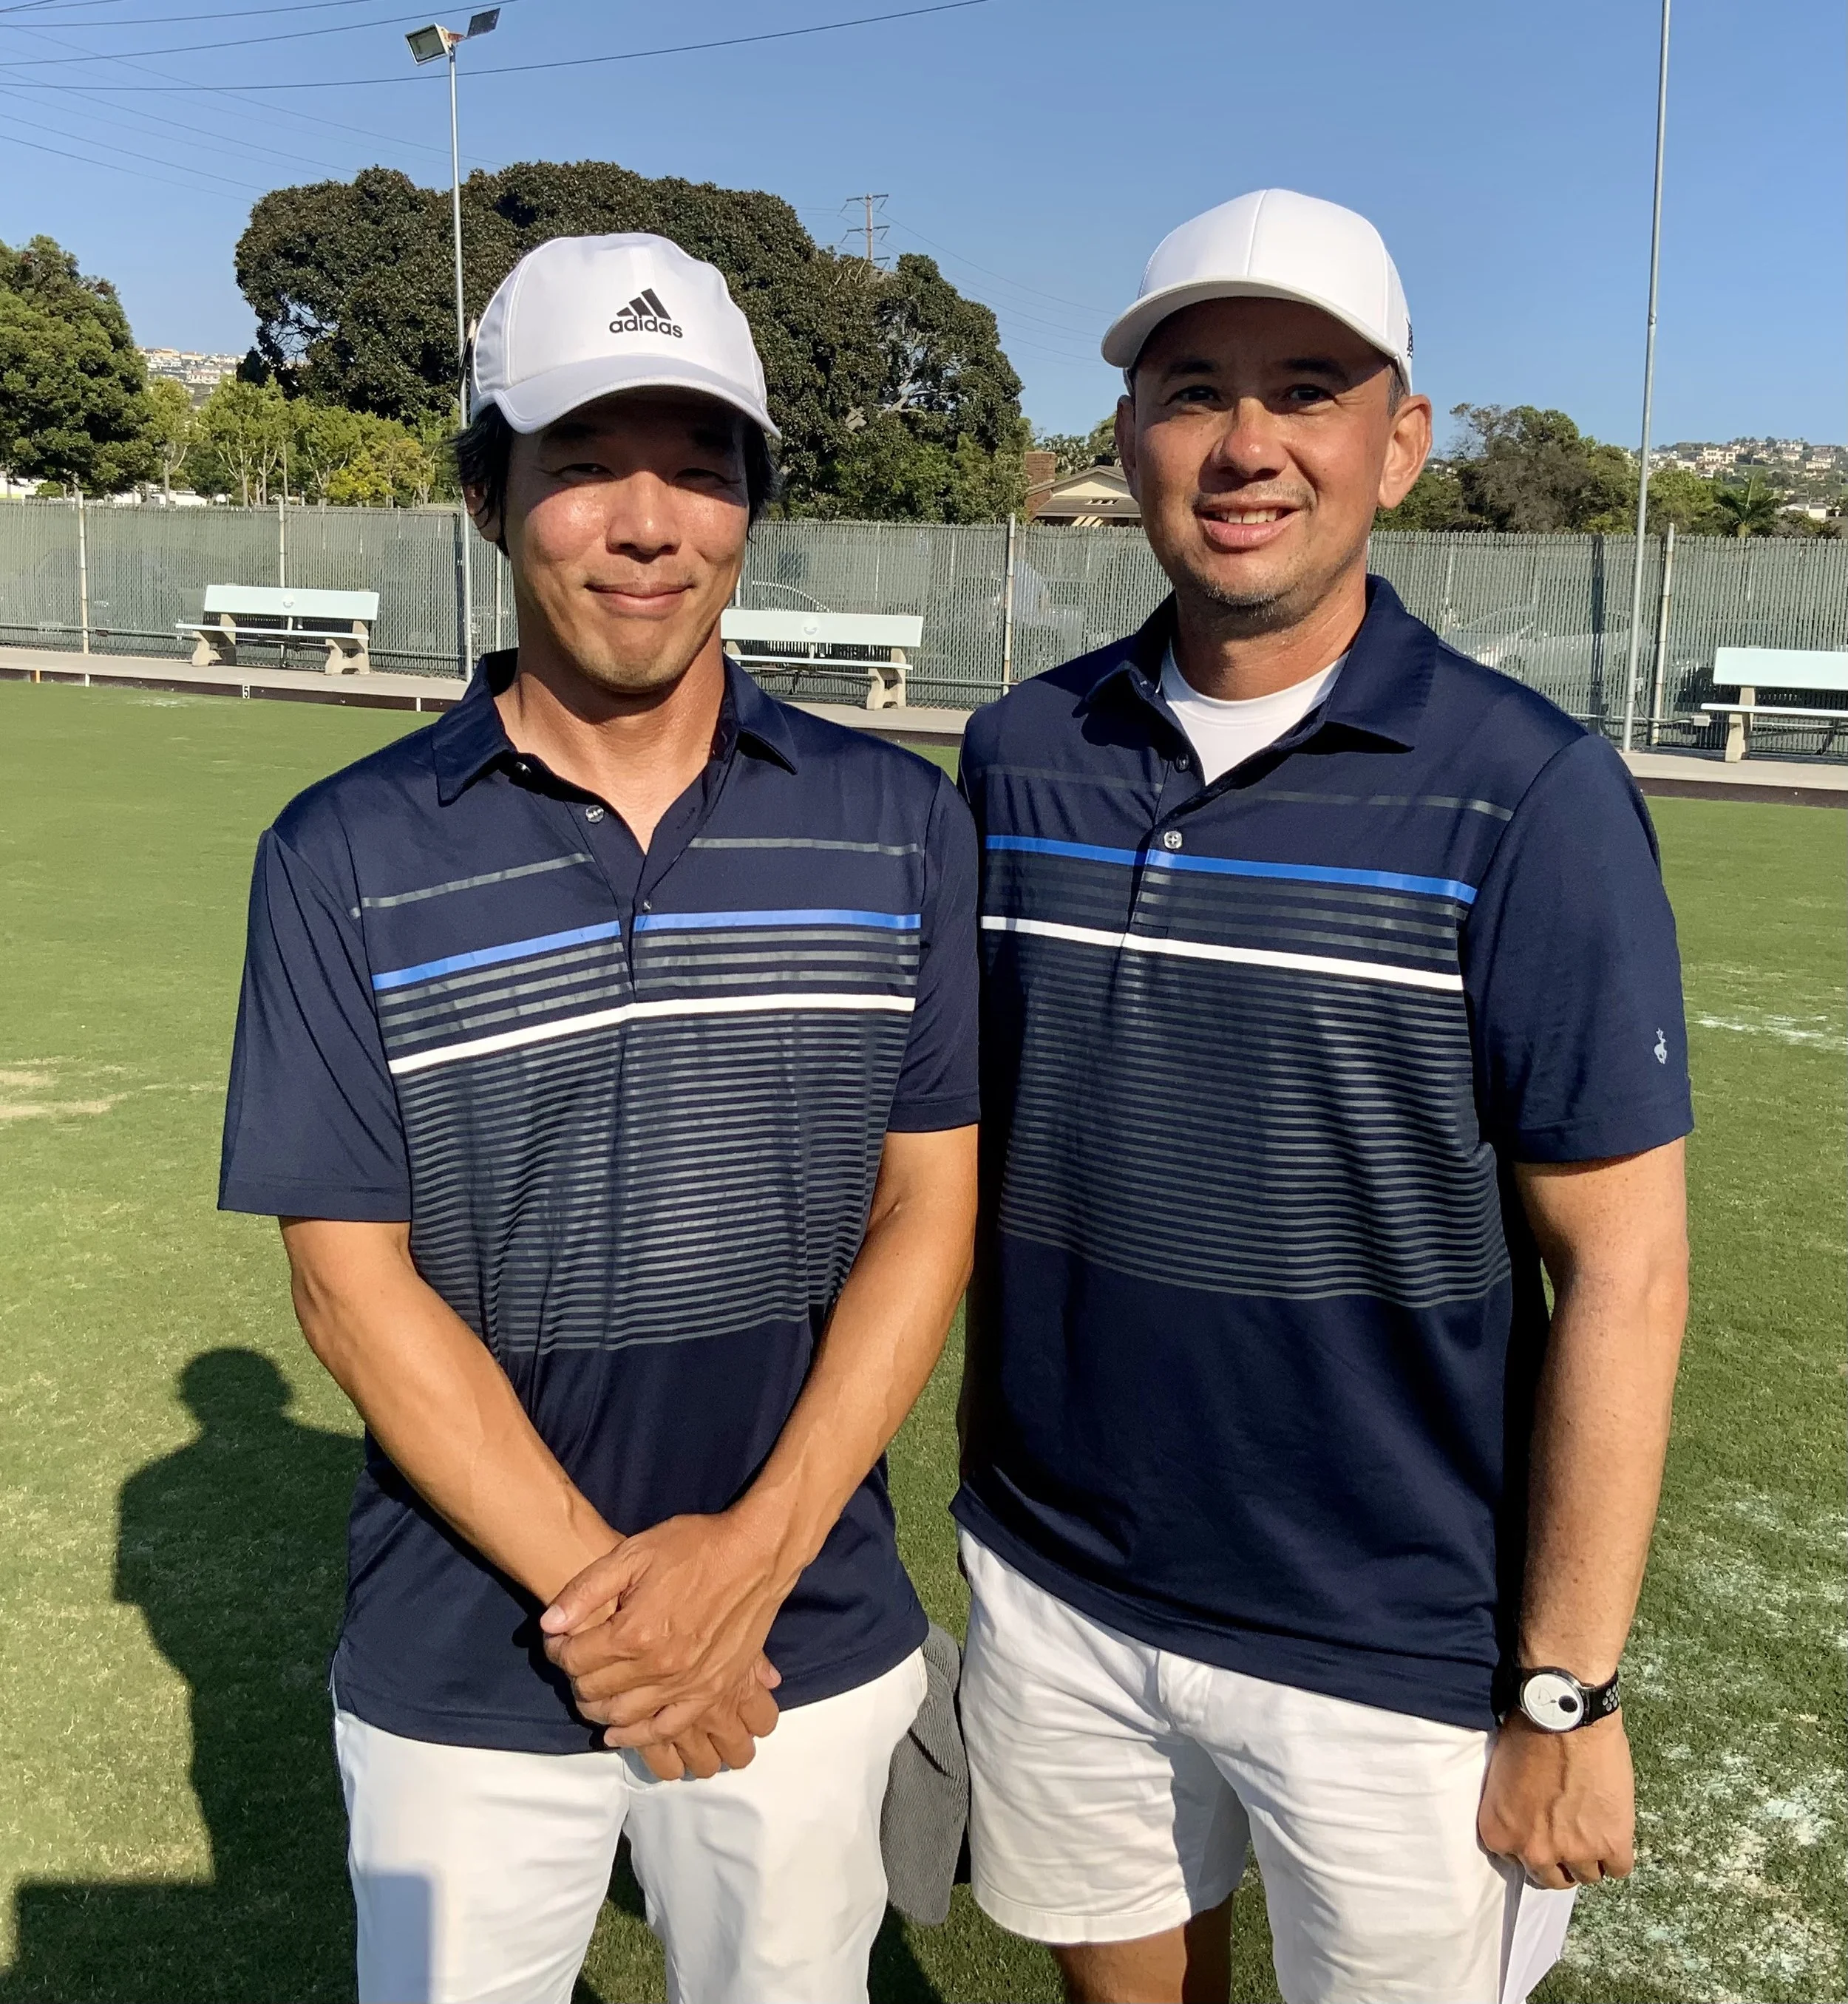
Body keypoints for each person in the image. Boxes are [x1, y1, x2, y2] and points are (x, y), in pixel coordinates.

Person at [218, 231, 980, 2004]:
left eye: (699, 466)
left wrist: (751, 1562)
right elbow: (349, 1287)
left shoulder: (894, 820)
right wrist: (639, 1619)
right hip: (466, 1652)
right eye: (582, 465)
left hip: (805, 1629)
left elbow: (923, 1212)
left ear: (750, 505)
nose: (647, 523)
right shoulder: (340, 853)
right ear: (489, 496)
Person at [954, 188, 1692, 2004]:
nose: (1246, 443)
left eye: (1307, 386)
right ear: (1127, 438)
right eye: (1192, 387)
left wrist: (1565, 1683)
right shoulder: (1017, 753)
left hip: (1398, 1648)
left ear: (1399, 441)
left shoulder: (1530, 795)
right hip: (1055, 1585)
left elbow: (1624, 1266)